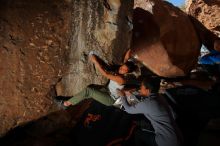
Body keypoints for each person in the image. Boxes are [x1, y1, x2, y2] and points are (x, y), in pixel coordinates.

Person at [120, 77, 181, 146]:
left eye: (141, 87)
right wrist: (136, 92)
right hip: (177, 136)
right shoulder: (160, 96)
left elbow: (128, 110)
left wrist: (122, 96)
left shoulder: (148, 103)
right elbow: (147, 97)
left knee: (138, 133)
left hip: (166, 142)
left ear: (148, 90)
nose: (140, 88)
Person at [63, 52, 137, 107]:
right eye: (122, 67)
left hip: (109, 98)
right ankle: (71, 101)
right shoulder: (122, 70)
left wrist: (95, 61)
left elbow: (105, 74)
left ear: (128, 72)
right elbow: (126, 59)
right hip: (106, 89)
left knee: (89, 90)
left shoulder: (121, 79)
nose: (121, 69)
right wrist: (131, 49)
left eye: (124, 69)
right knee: (90, 89)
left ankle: (67, 103)